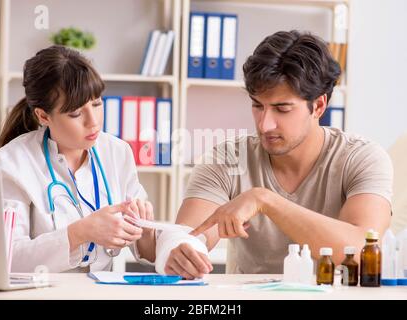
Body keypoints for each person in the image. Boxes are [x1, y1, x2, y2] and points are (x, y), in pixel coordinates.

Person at [156, 30, 393, 279]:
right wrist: (181, 251)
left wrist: (264, 200)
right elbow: (193, 234)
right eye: (257, 105)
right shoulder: (226, 159)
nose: (265, 124)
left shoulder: (362, 158)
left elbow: (359, 252)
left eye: (282, 109)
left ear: (319, 106)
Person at [0, 45, 155, 273]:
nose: (93, 122)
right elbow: (4, 260)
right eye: (76, 113)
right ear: (43, 115)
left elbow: (146, 248)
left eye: (97, 104)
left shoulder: (117, 152)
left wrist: (148, 234)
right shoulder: (10, 163)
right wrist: (80, 232)